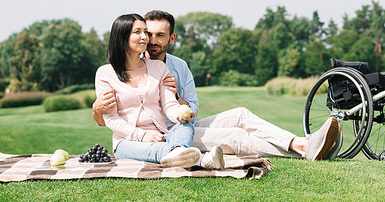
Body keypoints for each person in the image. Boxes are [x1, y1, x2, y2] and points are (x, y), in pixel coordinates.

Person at [93, 11, 342, 161]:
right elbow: (108, 115)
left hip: (179, 125)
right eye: (147, 33)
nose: (151, 40)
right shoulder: (117, 68)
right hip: (159, 135)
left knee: (241, 114)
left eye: (158, 35)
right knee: (235, 136)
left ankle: (303, 145)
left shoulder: (176, 67)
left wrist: (177, 97)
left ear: (171, 38)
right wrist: (98, 110)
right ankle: (304, 146)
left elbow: (190, 110)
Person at [95, 13, 224, 169]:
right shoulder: (105, 74)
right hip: (127, 141)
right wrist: (142, 135)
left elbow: (169, 105)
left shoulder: (159, 68)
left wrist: (180, 113)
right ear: (122, 37)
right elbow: (111, 118)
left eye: (146, 32)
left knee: (184, 124)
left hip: (163, 135)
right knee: (157, 149)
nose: (146, 37)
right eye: (138, 32)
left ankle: (178, 152)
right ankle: (204, 160)